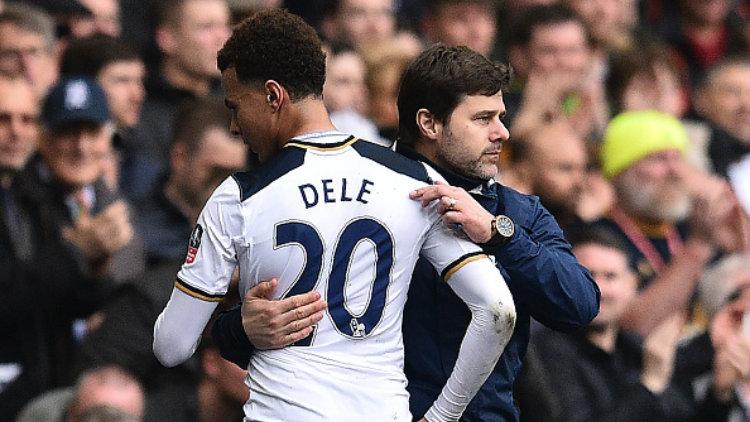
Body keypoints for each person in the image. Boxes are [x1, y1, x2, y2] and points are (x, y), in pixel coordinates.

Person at [153, 10, 516, 422]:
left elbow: (172, 346)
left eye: (236, 107)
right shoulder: (413, 182)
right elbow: (497, 310)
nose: (235, 126)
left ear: (274, 96)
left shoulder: (239, 197)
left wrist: (238, 328)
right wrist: (442, 417)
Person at [213, 43, 600, 421]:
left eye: (500, 116)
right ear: (429, 123)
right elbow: (281, 340)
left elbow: (579, 305)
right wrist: (242, 327)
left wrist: (499, 236)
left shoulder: (518, 213)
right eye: (483, 119)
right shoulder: (353, 196)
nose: (503, 133)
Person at [596, 110, 749, 337]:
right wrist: (698, 247)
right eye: (658, 159)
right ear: (620, 170)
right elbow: (631, 329)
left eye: (678, 158)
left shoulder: (685, 226)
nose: (675, 172)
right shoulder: (596, 238)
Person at [516, 226, 685, 422]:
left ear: (632, 285)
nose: (599, 290)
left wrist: (719, 394)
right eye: (588, 275)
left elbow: (683, 413)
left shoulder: (634, 348)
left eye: (610, 277)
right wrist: (649, 385)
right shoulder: (541, 349)